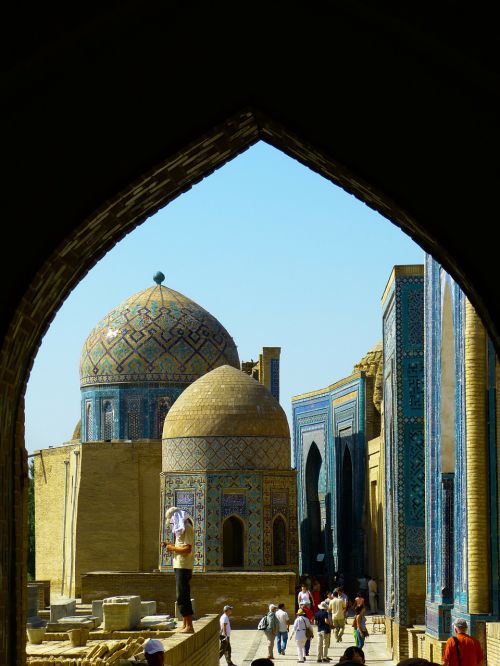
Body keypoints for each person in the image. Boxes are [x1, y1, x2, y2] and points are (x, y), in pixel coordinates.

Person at [161, 506, 195, 633]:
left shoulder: (187, 528)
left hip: (184, 565)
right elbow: (180, 546)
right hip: (178, 564)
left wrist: (172, 548)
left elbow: (187, 549)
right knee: (181, 595)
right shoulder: (180, 529)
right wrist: (169, 546)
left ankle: (190, 626)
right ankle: (185, 625)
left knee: (183, 595)